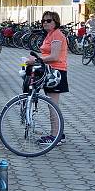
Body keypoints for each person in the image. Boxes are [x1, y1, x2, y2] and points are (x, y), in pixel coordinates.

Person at [25, 10, 68, 143]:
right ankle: (58, 134)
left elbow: (55, 56)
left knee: (53, 105)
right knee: (52, 105)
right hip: (50, 71)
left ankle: (55, 136)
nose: (45, 23)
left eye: (48, 20)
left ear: (56, 22)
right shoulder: (50, 35)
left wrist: (37, 60)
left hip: (56, 73)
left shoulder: (56, 35)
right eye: (43, 20)